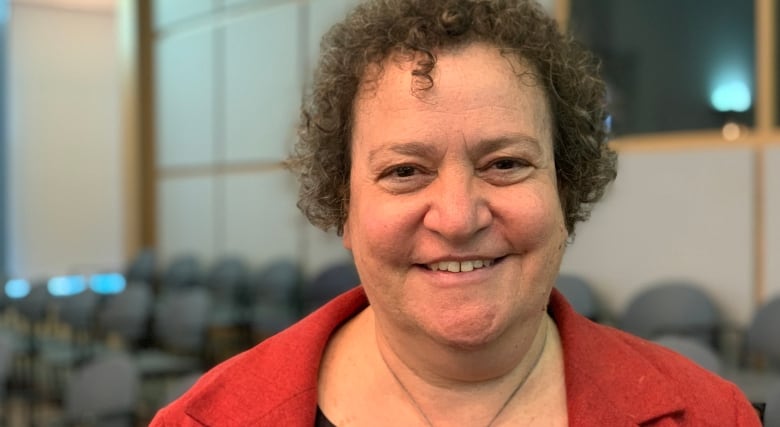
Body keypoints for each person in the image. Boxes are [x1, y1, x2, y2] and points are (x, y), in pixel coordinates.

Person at [151, 0, 761, 425]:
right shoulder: (203, 420)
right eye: (405, 172)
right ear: (343, 207)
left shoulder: (713, 415)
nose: (457, 216)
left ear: (564, 188)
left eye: (504, 163)